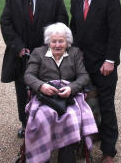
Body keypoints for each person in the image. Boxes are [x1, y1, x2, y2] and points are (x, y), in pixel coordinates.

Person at [0, 0, 68, 138]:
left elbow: (61, 22)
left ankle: (49, 125)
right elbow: (6, 24)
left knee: (49, 90)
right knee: (23, 91)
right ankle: (26, 123)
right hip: (22, 55)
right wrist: (19, 47)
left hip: (47, 55)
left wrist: (51, 46)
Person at [70, 0, 121, 163]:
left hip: (104, 64)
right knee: (83, 103)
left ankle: (109, 151)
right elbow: (73, 29)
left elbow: (115, 31)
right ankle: (87, 138)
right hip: (83, 64)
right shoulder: (76, 0)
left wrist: (110, 60)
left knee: (106, 105)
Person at [24, 22, 98, 163]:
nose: (57, 45)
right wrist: (41, 86)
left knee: (71, 118)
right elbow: (28, 75)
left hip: (68, 97)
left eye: (61, 41)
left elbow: (84, 76)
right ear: (48, 41)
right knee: (41, 118)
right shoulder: (38, 53)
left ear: (67, 42)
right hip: (46, 97)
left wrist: (71, 88)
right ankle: (41, 157)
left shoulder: (74, 53)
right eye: (54, 41)